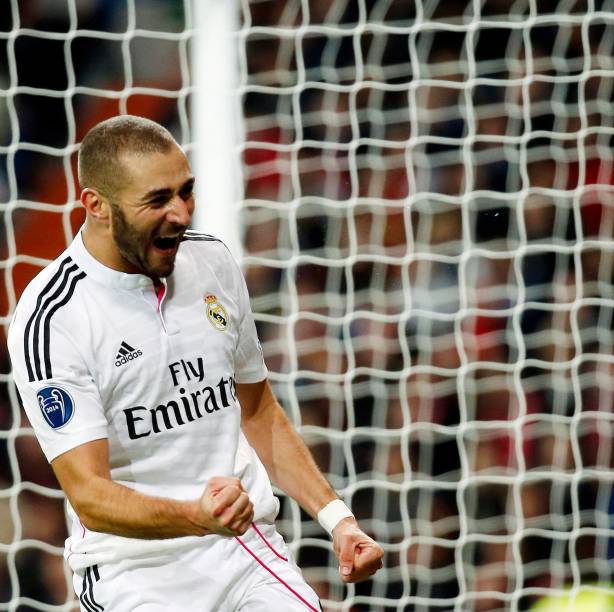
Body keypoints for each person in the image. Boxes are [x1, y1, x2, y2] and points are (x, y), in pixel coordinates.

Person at [7, 115, 383, 611]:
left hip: (244, 552)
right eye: (157, 200)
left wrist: (338, 520)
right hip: (135, 574)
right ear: (95, 205)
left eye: (186, 192)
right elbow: (91, 495)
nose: (181, 214)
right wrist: (196, 515)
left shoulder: (213, 263)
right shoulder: (52, 318)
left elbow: (257, 411)